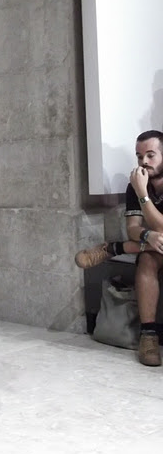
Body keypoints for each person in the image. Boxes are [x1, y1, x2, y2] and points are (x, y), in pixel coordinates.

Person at [75, 130, 163, 367]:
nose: (144, 162)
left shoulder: (140, 187)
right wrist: (147, 235)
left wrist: (143, 195)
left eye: (151, 155)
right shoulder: (135, 184)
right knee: (147, 260)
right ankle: (148, 336)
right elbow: (133, 228)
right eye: (139, 156)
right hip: (156, 247)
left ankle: (115, 248)